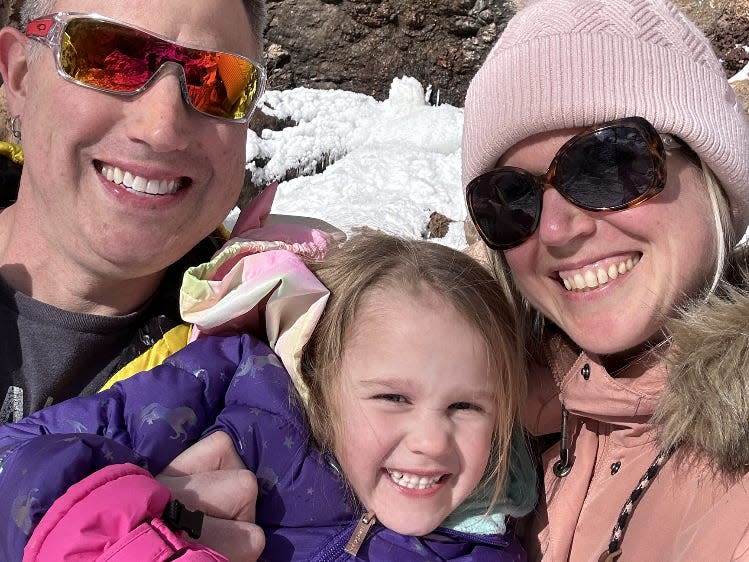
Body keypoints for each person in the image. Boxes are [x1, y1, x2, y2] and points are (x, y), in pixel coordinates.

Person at [0, 230, 538, 561]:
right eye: (393, 398)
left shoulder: (486, 549)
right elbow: (14, 458)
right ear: (321, 372)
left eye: (466, 406)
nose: (430, 441)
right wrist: (103, 533)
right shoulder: (237, 393)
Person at [461, 0, 749, 560]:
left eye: (606, 165)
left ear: (712, 171)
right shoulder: (484, 428)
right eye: (511, 198)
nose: (556, 229)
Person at [0, 1, 270, 559]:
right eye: (110, 56)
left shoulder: (296, 374)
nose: (163, 126)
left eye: (217, 81)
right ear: (19, 75)